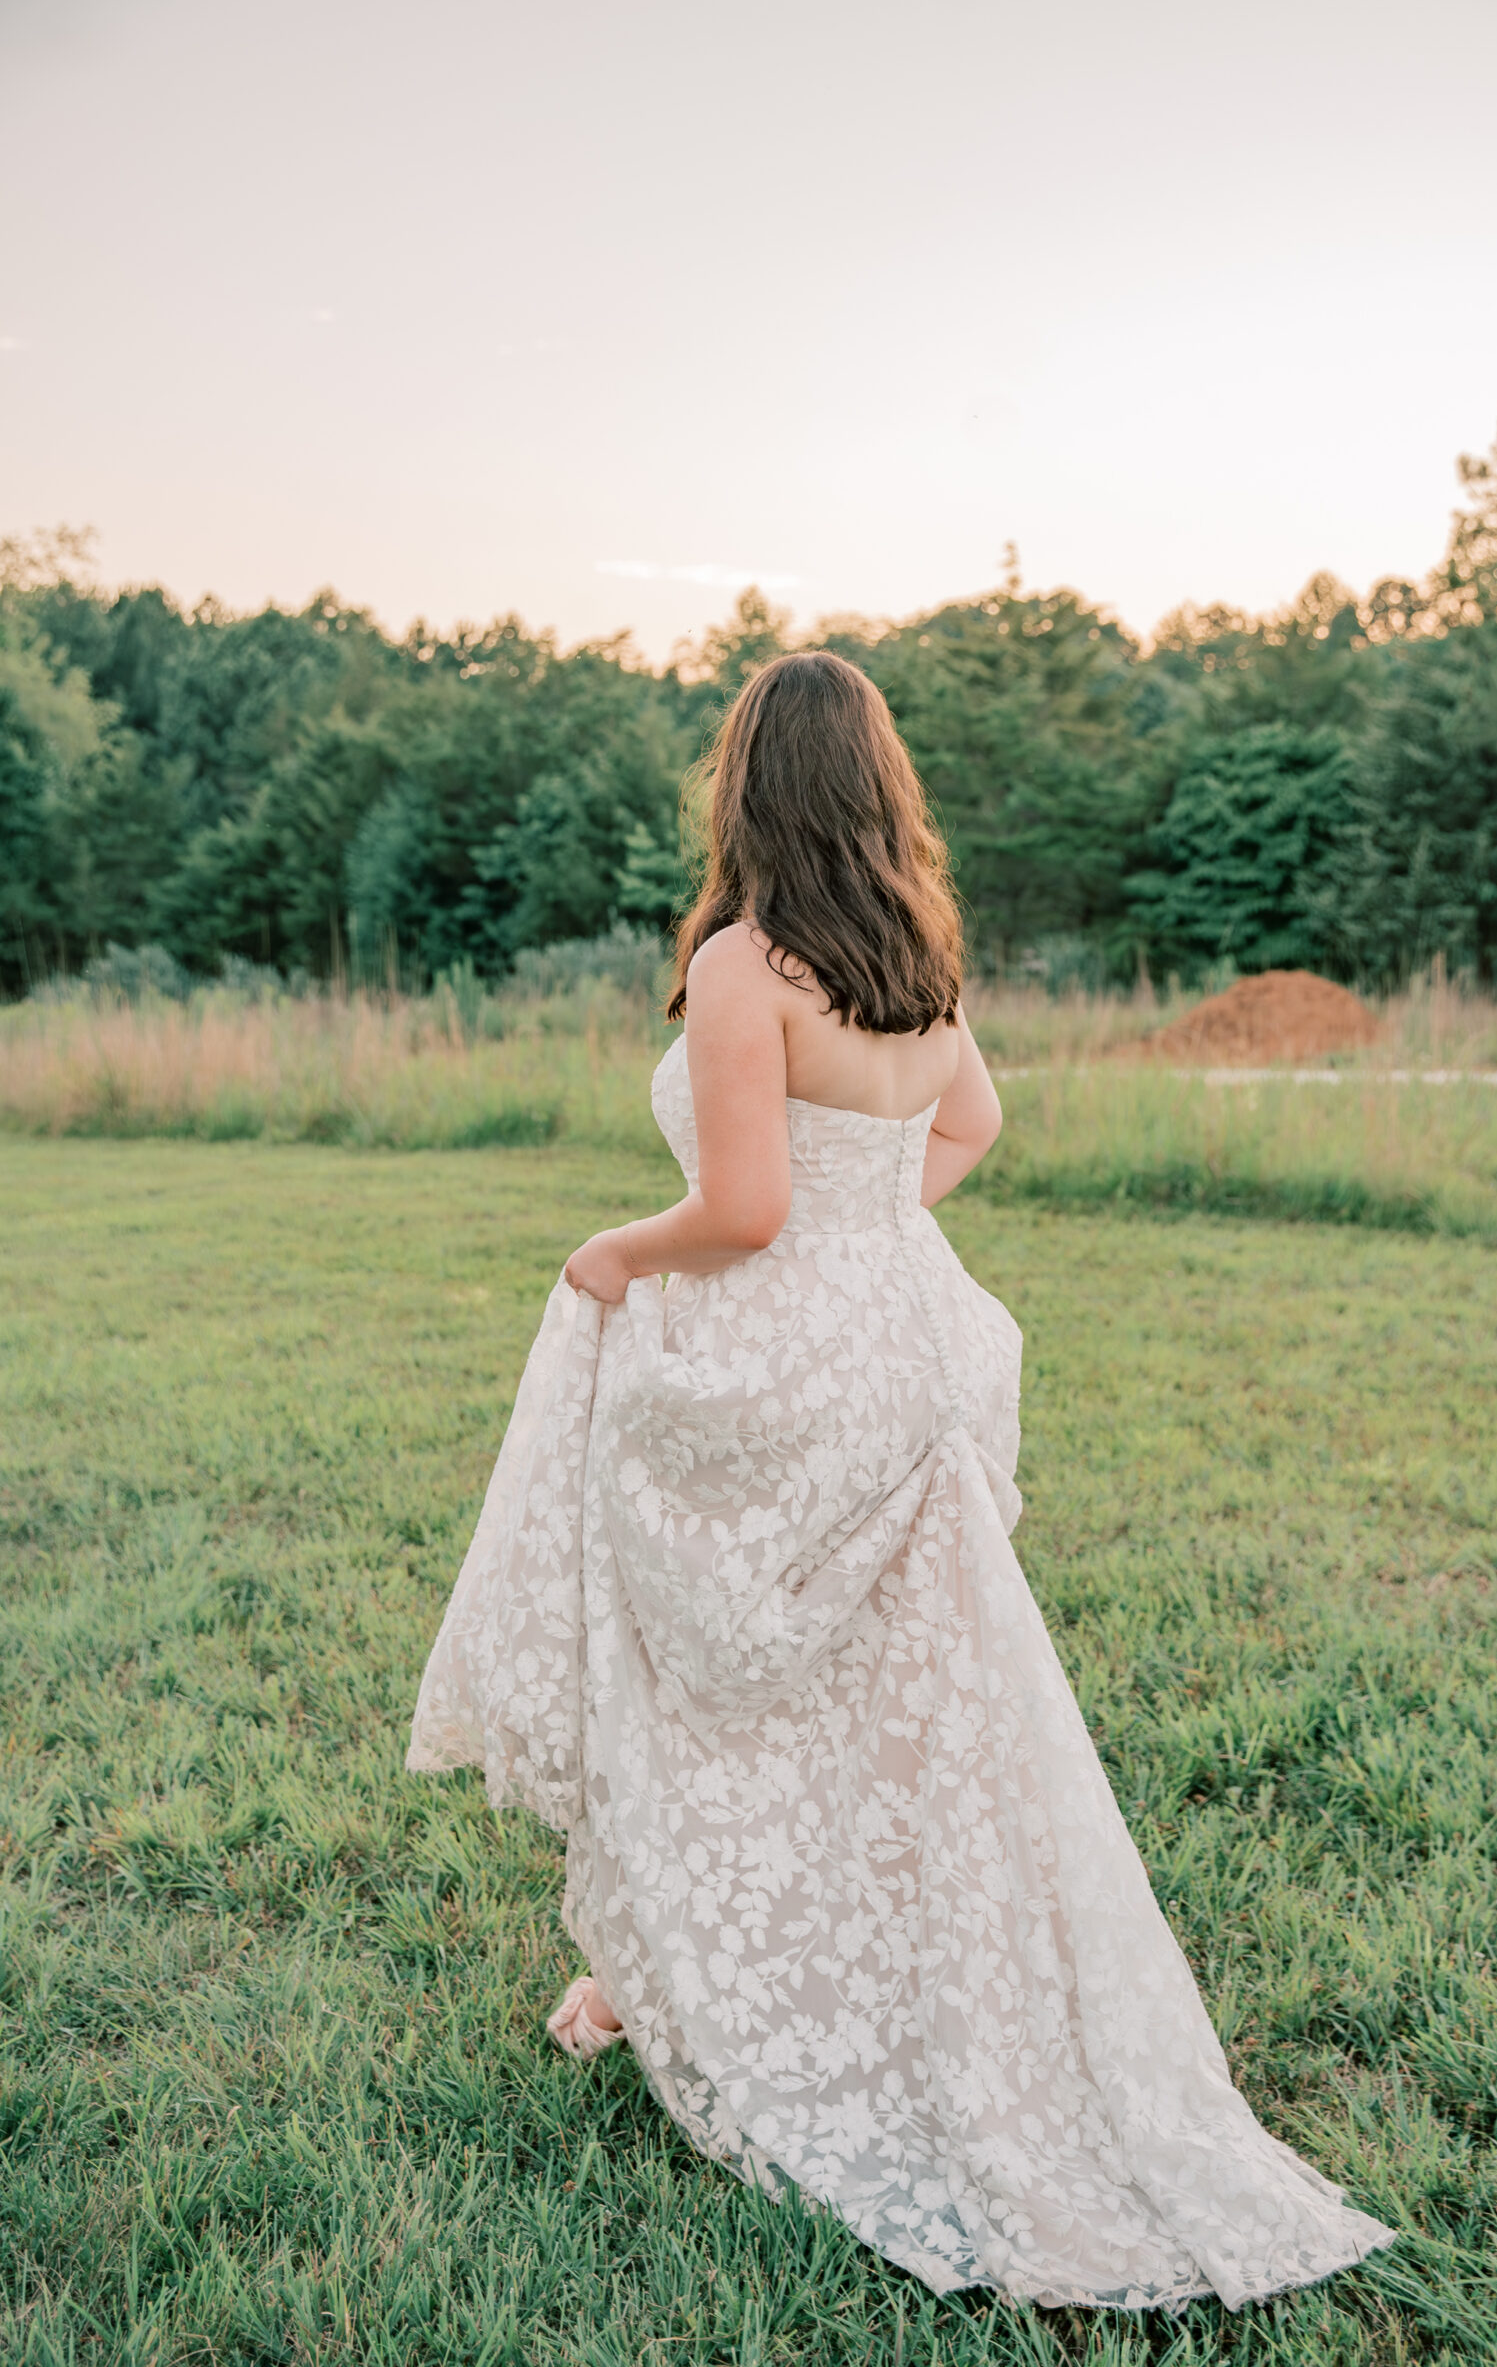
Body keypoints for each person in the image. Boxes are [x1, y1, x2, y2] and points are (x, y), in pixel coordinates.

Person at [407, 651, 1394, 2311]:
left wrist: (607, 1250)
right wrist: (886, 1236)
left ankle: (713, 1984)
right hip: (897, 1351)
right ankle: (700, 1976)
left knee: (719, 1677)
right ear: (877, 787)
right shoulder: (913, 957)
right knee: (884, 1699)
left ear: (747, 788)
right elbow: (970, 1128)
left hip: (778, 1354)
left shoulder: (744, 963)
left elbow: (741, 1212)